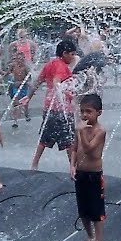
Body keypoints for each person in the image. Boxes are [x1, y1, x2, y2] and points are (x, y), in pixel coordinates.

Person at [27, 40, 79, 173]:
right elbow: (57, 82)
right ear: (64, 53)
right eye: (71, 54)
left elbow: (37, 82)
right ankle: (73, 168)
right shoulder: (61, 66)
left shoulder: (50, 64)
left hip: (49, 107)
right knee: (70, 139)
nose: (73, 57)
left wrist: (28, 97)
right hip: (62, 109)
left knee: (44, 138)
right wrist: (63, 98)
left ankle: (34, 164)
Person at [74, 93, 107, 241]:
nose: (84, 115)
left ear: (98, 113)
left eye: (89, 111)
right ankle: (90, 237)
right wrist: (72, 166)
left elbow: (88, 150)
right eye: (82, 111)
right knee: (83, 210)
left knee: (96, 212)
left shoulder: (100, 131)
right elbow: (75, 149)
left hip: (94, 175)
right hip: (80, 174)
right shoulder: (79, 129)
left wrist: (81, 132)